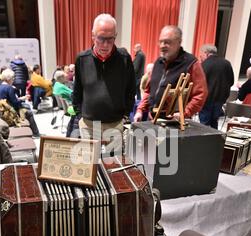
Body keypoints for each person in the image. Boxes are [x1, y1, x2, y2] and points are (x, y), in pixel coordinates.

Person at [72, 13, 136, 151]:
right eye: (101, 38)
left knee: (114, 165)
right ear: (93, 35)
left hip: (115, 124)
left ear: (115, 36)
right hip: (88, 125)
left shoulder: (124, 58)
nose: (106, 45)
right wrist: (80, 115)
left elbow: (131, 89)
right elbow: (77, 90)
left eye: (110, 39)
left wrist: (125, 116)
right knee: (88, 166)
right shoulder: (82, 59)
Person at [134, 26, 208, 123]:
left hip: (174, 123)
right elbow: (149, 91)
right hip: (152, 120)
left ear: (179, 42)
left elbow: (200, 94)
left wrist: (185, 112)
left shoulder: (191, 64)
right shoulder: (158, 62)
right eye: (160, 42)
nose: (162, 45)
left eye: (167, 42)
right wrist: (140, 110)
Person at [199, 44, 234, 129]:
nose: (200, 57)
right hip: (220, 99)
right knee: (214, 122)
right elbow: (231, 81)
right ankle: (215, 140)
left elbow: (199, 83)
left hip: (206, 99)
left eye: (201, 54)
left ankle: (203, 141)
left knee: (204, 123)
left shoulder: (204, 64)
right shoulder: (226, 63)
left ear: (206, 53)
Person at [0, 69, 40, 137]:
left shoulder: (0, 87)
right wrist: (22, 99)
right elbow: (15, 102)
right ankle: (36, 133)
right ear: (9, 79)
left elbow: (9, 100)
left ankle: (32, 132)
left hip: (5, 111)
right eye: (12, 78)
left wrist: (21, 98)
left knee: (26, 107)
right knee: (29, 112)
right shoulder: (9, 88)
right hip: (11, 113)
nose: (13, 79)